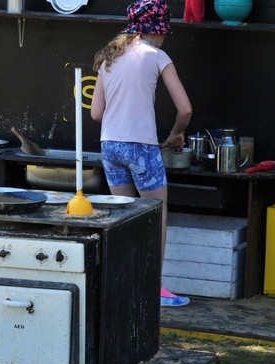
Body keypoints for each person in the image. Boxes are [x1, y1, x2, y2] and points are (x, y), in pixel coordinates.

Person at [90, 0, 192, 307]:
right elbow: (185, 108)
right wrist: (175, 133)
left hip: (110, 146)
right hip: (142, 148)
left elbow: (96, 113)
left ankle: (122, 285)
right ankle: (152, 288)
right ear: (156, 31)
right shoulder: (157, 56)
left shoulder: (109, 57)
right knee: (154, 215)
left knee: (124, 216)